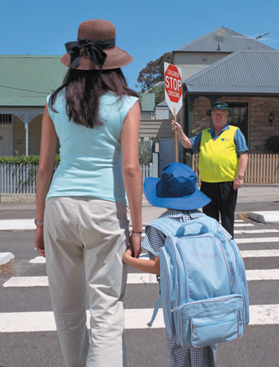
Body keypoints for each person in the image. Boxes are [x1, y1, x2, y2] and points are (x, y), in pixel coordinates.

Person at [34, 19, 143, 367]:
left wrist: (39, 222)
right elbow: (130, 169)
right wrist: (138, 229)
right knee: (106, 308)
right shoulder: (128, 104)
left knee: (66, 309)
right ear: (113, 60)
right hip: (104, 209)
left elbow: (43, 168)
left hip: (59, 207)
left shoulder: (54, 102)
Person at [123, 162, 233, 367]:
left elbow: (158, 267)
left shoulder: (159, 227)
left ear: (164, 196)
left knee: (179, 349)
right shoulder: (210, 223)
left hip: (177, 302)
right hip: (210, 298)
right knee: (205, 349)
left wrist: (128, 258)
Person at [171, 102, 249, 237]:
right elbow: (188, 143)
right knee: (208, 221)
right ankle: (212, 248)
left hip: (227, 184)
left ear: (227, 115)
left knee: (227, 220)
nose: (217, 116)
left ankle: (227, 249)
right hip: (207, 185)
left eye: (221, 113)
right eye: (214, 113)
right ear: (211, 116)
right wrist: (179, 132)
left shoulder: (235, 132)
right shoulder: (204, 135)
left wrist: (240, 176)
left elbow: (244, 154)